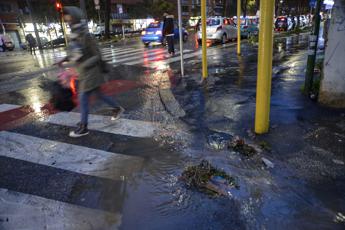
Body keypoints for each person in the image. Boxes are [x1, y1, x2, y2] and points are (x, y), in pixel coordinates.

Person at [60, 6, 124, 138]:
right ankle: (117, 108)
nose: (67, 21)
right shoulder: (74, 35)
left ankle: (84, 127)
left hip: (91, 72)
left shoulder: (86, 35)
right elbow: (76, 53)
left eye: (69, 18)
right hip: (83, 73)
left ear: (75, 18)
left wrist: (84, 65)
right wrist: (64, 59)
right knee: (99, 94)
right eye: (66, 19)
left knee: (83, 98)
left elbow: (97, 56)